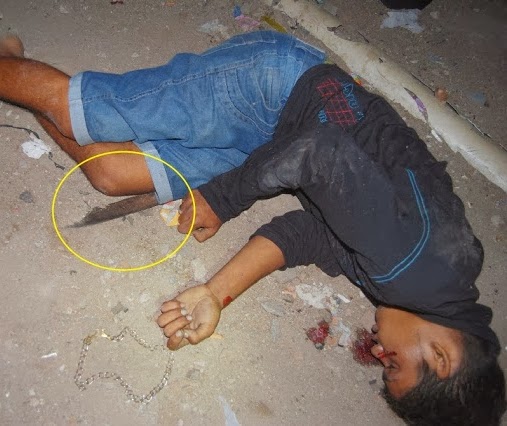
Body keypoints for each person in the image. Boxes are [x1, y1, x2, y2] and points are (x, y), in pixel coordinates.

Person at [0, 32, 505, 425]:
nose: (377, 351)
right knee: (87, 112)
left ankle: (12, 64)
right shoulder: (411, 269)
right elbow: (317, 152)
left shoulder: (436, 280)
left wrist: (215, 293)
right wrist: (223, 198)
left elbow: (305, 234)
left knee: (108, 173)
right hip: (276, 88)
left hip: (275, 143)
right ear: (441, 356)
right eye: (393, 364)